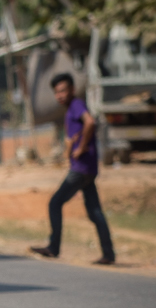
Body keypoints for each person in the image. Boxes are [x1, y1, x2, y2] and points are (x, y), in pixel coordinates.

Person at [31, 74, 115, 265]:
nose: (60, 95)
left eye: (63, 90)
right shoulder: (71, 109)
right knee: (95, 212)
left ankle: (54, 247)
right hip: (88, 168)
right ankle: (108, 253)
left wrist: (82, 147)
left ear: (72, 90)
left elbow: (90, 122)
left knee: (55, 203)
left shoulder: (77, 105)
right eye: (56, 92)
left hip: (81, 168)